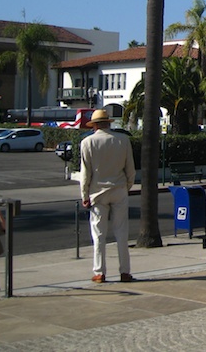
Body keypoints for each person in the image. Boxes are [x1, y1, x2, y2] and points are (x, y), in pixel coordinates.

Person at [80, 109, 136, 283]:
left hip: (98, 192)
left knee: (98, 235)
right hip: (119, 189)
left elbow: (85, 173)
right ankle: (125, 271)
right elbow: (131, 170)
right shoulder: (123, 140)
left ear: (95, 125)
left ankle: (99, 272)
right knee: (121, 233)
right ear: (109, 123)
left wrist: (85, 195)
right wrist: (126, 187)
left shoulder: (87, 142)